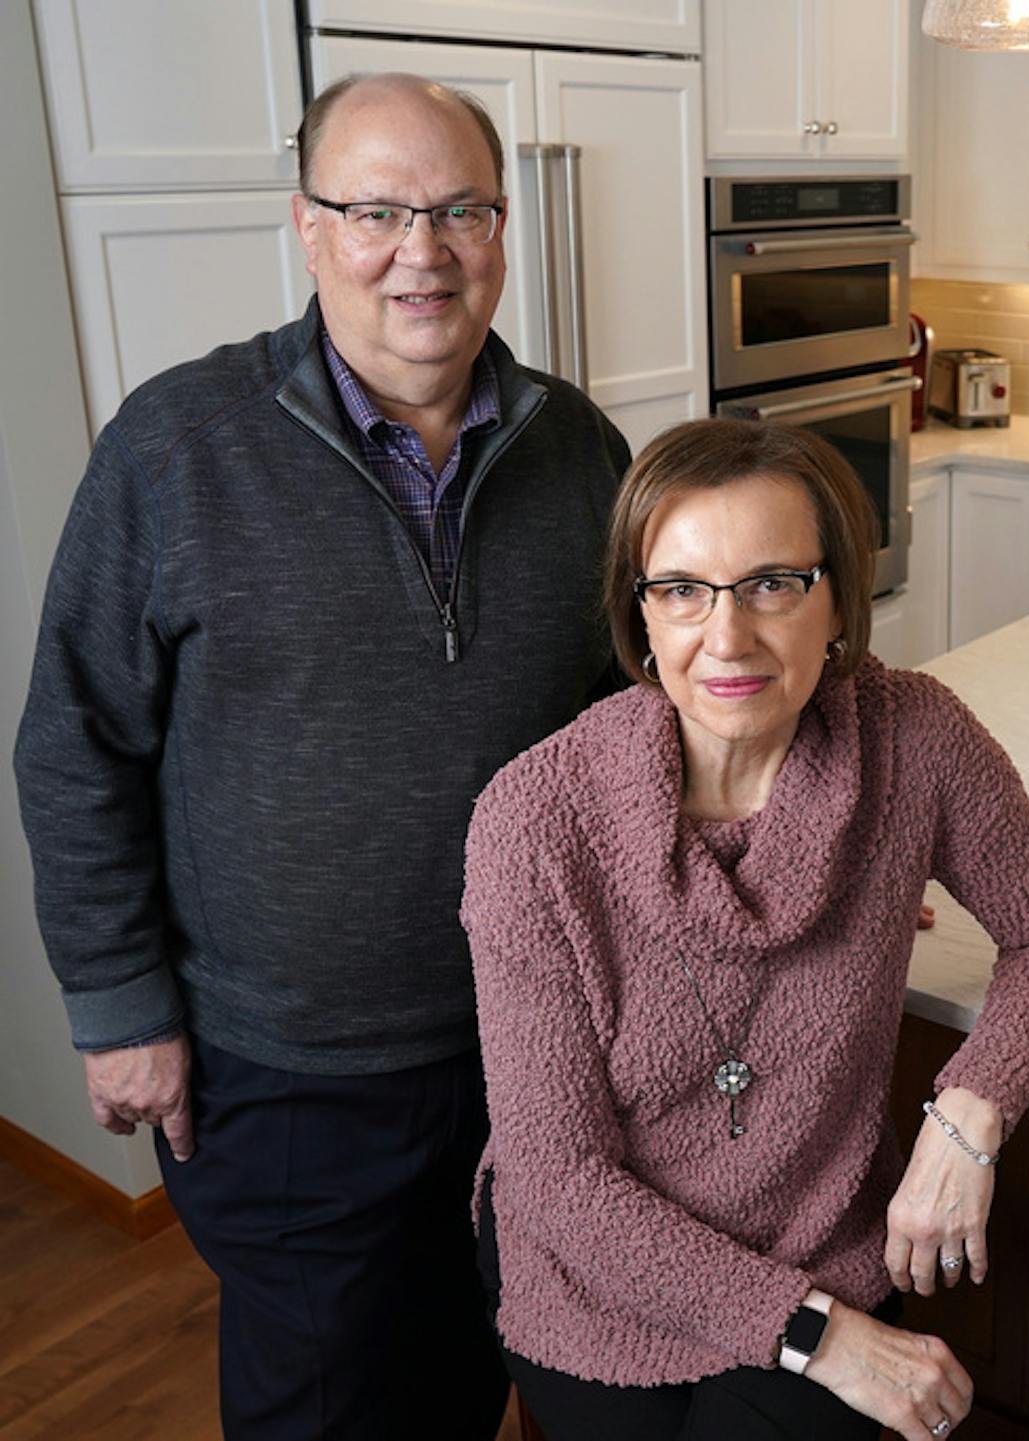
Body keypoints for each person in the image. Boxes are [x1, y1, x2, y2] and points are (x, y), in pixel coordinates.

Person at [12, 73, 630, 1438]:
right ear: (306, 228)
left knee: (474, 1373)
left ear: (504, 228)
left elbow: (641, 724)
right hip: (283, 1075)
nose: (425, 249)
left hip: (527, 1042)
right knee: (325, 1404)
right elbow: (75, 742)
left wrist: (809, 830)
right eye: (378, 210)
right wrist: (118, 1003)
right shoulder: (177, 449)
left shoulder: (579, 450)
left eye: (462, 208)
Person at [461, 418, 1029, 1441]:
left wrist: (970, 1116)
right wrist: (821, 1337)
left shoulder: (915, 741)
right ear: (639, 618)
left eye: (773, 582)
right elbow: (559, 1180)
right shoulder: (535, 820)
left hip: (820, 1245)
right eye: (680, 589)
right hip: (599, 1283)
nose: (725, 637)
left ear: (840, 603)